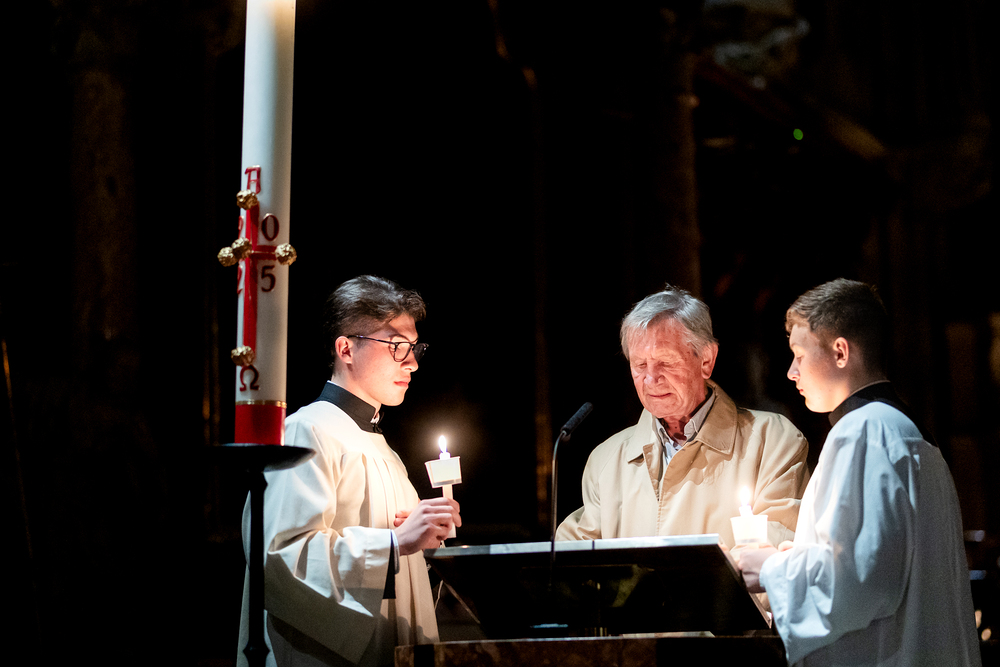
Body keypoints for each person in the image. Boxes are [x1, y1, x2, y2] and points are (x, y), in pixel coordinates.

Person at [737, 278, 981, 667]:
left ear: (840, 352)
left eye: (799, 355)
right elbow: (884, 560)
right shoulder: (906, 430)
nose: (791, 372)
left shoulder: (864, 431)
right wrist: (805, 557)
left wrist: (771, 568)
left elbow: (859, 580)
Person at [237, 275, 461, 667]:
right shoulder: (308, 430)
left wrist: (427, 550)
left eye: (414, 348)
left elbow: (402, 568)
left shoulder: (382, 448)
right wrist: (394, 544)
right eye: (397, 346)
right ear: (346, 349)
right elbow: (281, 557)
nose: (412, 363)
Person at [557, 284, 810, 547]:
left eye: (665, 362)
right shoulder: (606, 460)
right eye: (640, 364)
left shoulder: (772, 442)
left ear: (706, 360)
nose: (651, 379)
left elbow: (776, 548)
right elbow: (574, 559)